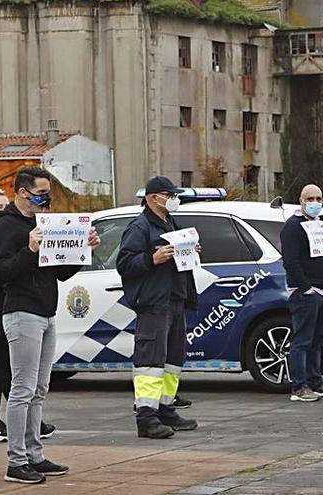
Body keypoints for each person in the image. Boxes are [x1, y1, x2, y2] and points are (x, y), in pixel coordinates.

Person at [0, 168, 100, 484]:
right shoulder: (7, 227)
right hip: (21, 312)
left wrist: (83, 249)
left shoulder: (42, 223)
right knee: (22, 388)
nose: (46, 199)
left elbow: (61, 271)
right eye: (41, 193)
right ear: (23, 192)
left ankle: (34, 455)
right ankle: (16, 461)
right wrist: (30, 251)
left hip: (46, 312)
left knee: (39, 388)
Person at [116, 176, 201, 439]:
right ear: (154, 198)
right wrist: (151, 259)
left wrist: (192, 250)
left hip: (174, 299)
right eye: (169, 194)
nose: (174, 199)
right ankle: (146, 416)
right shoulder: (140, 227)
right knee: (150, 363)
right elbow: (125, 264)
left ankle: (166, 409)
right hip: (153, 303)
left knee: (173, 360)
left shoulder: (169, 222)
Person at [0, 188, 56, 443]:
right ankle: (2, 423)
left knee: (0, 368)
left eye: (6, 207)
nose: (5, 212)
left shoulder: (12, 233)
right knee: (6, 369)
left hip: (6, 306)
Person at [280, 184, 323, 402]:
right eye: (311, 199)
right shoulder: (293, 227)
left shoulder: (321, 226)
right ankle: (298, 386)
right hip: (305, 291)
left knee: (318, 340)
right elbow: (291, 261)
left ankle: (316, 381)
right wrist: (305, 288)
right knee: (302, 340)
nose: (315, 202)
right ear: (301, 201)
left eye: (319, 198)